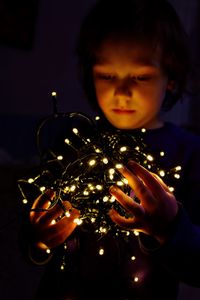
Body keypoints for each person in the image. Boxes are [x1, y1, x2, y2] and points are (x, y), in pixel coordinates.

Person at [22, 0, 200, 299]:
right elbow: (30, 239)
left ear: (170, 77)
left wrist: (170, 227)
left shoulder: (189, 152)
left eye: (141, 76)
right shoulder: (71, 141)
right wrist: (38, 241)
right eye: (106, 75)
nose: (121, 91)